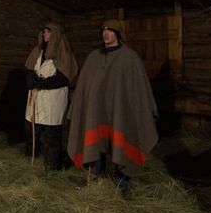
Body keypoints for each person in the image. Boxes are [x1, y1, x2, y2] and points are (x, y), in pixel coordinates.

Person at [67, 23, 159, 195]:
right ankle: (94, 182)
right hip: (96, 112)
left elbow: (139, 88)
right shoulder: (93, 57)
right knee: (94, 145)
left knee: (122, 143)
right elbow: (84, 87)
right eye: (103, 30)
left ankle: (121, 185)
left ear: (117, 34)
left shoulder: (129, 58)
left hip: (120, 113)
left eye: (109, 30)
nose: (105, 33)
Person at [24, 22, 78, 171]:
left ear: (55, 35)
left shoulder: (63, 54)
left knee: (51, 134)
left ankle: (52, 165)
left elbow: (64, 77)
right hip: (35, 96)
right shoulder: (38, 51)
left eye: (48, 32)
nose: (44, 34)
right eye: (44, 32)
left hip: (53, 99)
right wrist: (30, 78)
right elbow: (29, 68)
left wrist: (43, 83)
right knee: (32, 129)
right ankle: (33, 158)